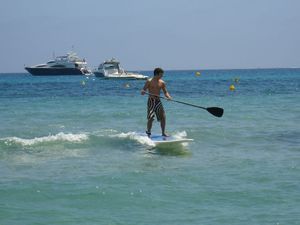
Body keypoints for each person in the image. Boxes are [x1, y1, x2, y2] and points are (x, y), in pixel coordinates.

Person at [141, 68, 172, 137]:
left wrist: (168, 97)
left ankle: (163, 133)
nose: (162, 76)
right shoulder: (149, 81)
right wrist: (143, 92)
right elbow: (143, 90)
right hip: (151, 101)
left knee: (163, 117)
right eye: (161, 74)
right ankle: (148, 132)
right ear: (157, 74)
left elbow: (165, 92)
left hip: (158, 101)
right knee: (151, 117)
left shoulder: (162, 82)